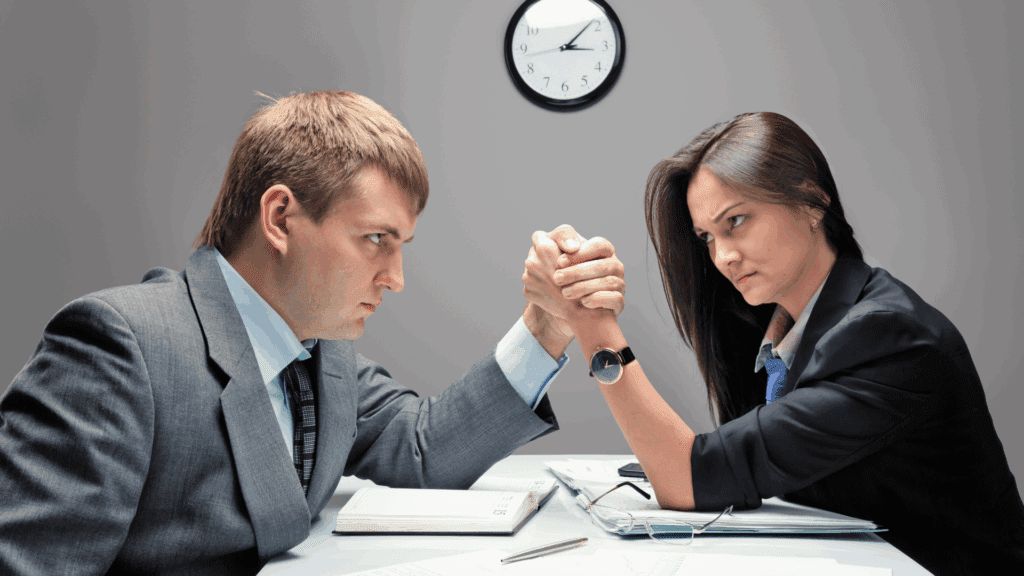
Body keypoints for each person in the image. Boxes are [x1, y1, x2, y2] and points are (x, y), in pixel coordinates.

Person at [0, 90, 624, 575]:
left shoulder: (319, 353)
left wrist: (546, 325)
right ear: (279, 218)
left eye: (400, 245)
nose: (395, 278)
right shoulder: (118, 347)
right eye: (377, 240)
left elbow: (422, 450)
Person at [524, 112, 1024, 575]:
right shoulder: (776, 333)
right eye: (706, 237)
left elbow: (688, 478)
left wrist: (589, 319)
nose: (722, 256)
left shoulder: (890, 338)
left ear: (812, 202)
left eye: (735, 221)